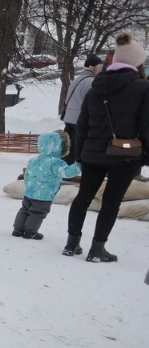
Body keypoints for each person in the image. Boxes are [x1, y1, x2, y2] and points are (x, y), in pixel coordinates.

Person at [63, 31, 149, 262]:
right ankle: (97, 249)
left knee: (83, 197)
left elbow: (82, 125)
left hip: (92, 153)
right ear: (136, 63)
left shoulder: (94, 88)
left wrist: (80, 153)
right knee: (111, 202)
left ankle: (71, 244)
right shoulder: (143, 88)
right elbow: (146, 125)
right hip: (126, 155)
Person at [11, 131, 80, 240]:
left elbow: (27, 175)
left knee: (25, 209)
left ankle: (17, 229)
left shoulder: (33, 160)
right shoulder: (56, 162)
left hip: (30, 192)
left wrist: (29, 186)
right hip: (44, 195)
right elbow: (67, 172)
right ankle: (30, 231)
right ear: (59, 146)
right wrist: (78, 165)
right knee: (37, 212)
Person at [61, 54, 103, 164]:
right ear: (93, 67)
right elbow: (93, 103)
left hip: (69, 119)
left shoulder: (76, 80)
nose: (101, 69)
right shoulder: (91, 82)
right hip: (79, 120)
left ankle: (64, 170)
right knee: (78, 149)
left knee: (68, 149)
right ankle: (70, 172)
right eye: (100, 67)